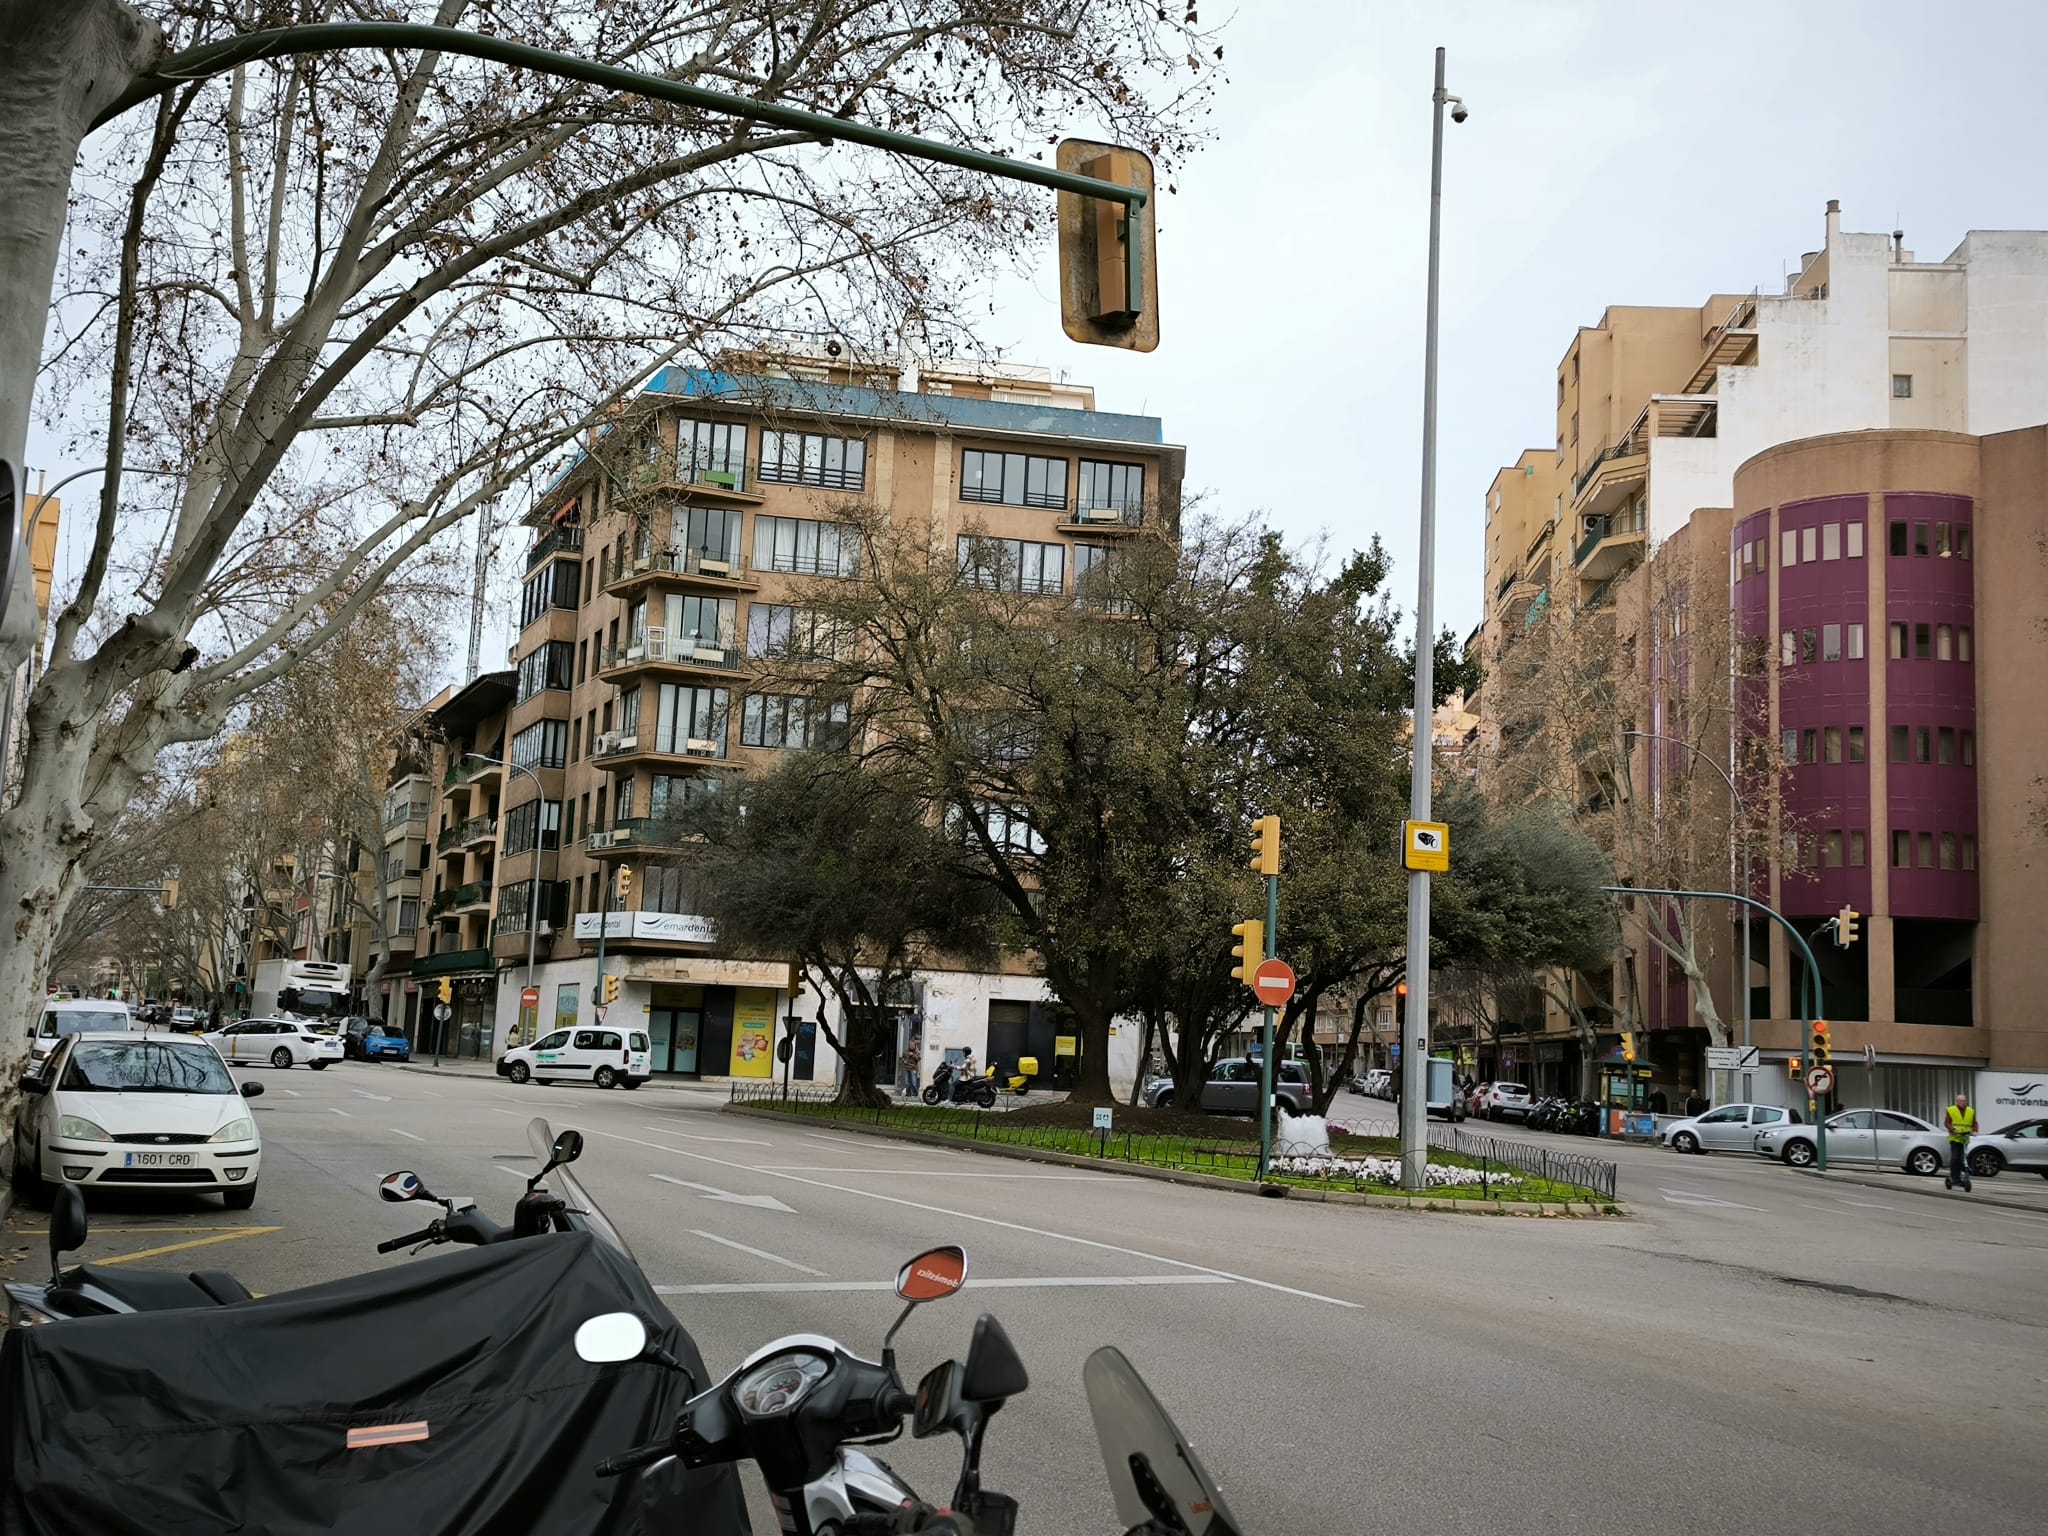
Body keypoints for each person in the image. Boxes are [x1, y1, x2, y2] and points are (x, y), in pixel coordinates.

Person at [1944, 1092, 1978, 1191]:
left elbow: (1974, 1122)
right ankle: (1954, 1178)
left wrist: (1975, 1130)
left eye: (1964, 1100)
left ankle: (1965, 1177)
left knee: (1963, 1159)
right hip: (1955, 1138)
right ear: (1957, 1101)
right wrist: (1953, 1129)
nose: (1963, 1102)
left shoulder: (1970, 1111)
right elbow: (1947, 1123)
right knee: (1955, 1158)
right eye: (1961, 1101)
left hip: (1964, 1138)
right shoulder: (1951, 1110)